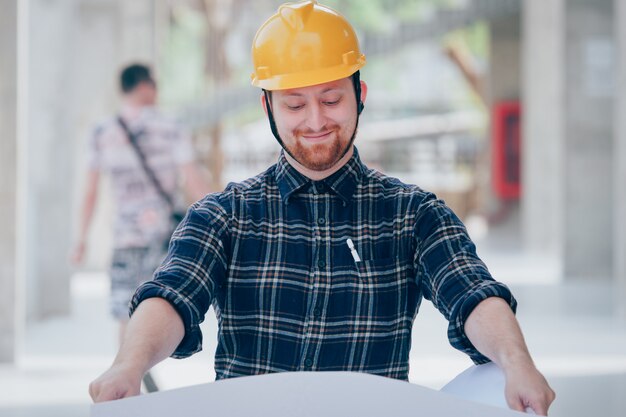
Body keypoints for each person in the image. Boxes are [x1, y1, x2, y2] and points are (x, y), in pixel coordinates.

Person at [89, 2, 555, 414]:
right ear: (267, 107)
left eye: (332, 99)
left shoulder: (413, 215)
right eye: (295, 105)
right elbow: (172, 295)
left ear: (361, 96)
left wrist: (518, 363)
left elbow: (471, 293)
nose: (316, 122)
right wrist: (128, 366)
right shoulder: (223, 215)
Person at [71, 63, 209, 347]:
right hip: (163, 236)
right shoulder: (170, 126)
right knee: (160, 307)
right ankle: (143, 371)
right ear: (145, 86)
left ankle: (128, 377)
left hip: (125, 236)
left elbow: (91, 193)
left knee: (126, 312)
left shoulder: (101, 132)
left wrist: (81, 239)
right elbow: (193, 181)